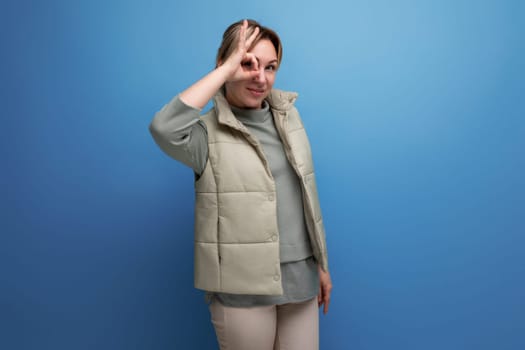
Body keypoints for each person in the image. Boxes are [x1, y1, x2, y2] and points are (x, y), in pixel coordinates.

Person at [149, 19, 332, 350]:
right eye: (248, 64)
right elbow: (163, 128)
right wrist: (225, 71)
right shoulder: (204, 134)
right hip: (242, 287)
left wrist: (320, 264)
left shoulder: (290, 117)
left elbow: (305, 196)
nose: (260, 77)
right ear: (226, 64)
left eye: (271, 67)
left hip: (300, 278)